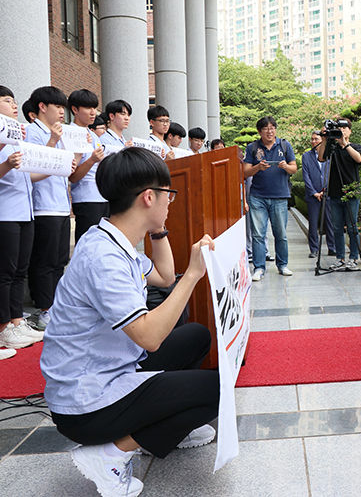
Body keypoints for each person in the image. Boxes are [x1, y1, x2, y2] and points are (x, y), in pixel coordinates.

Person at [40, 147, 219, 497]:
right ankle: (110, 452)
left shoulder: (115, 241)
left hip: (111, 369)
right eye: (169, 195)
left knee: (196, 336)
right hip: (86, 402)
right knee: (215, 392)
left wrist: (159, 229)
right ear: (149, 197)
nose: (172, 201)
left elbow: (165, 276)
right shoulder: (104, 258)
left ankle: (161, 429)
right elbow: (150, 337)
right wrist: (194, 275)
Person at [26, 86, 75, 333]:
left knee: (59, 260)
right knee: (44, 261)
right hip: (43, 206)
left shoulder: (61, 134)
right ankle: (44, 309)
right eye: (57, 107)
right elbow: (34, 165)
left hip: (61, 206)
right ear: (42, 107)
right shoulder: (31, 132)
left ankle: (56, 307)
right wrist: (53, 141)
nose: (60, 112)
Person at [0, 85, 39, 357]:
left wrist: (55, 169)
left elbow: (26, 175)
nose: (14, 105)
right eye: (7, 100)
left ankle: (15, 321)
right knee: (5, 272)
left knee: (19, 270)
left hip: (25, 212)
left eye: (14, 100)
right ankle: (3, 326)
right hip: (5, 214)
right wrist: (6, 163)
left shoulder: (19, 137)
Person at [243, 116, 297, 278]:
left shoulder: (285, 146)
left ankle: (283, 265)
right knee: (258, 234)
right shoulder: (252, 148)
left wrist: (286, 166)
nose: (270, 131)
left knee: (280, 233)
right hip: (258, 196)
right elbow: (245, 172)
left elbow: (294, 168)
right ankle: (259, 268)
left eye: (272, 127)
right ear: (260, 131)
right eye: (266, 128)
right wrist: (258, 167)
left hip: (280, 196)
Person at [319, 118, 361, 271]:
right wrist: (325, 140)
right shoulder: (332, 148)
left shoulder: (355, 147)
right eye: (339, 128)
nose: (342, 130)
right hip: (334, 193)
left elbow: (359, 159)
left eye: (345, 128)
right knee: (337, 228)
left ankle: (353, 258)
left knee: (352, 228)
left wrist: (345, 144)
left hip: (351, 193)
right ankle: (340, 258)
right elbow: (321, 158)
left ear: (350, 131)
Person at [67, 89, 108, 245]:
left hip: (102, 196)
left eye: (94, 108)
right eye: (88, 108)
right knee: (87, 245)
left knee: (101, 244)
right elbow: (73, 175)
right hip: (87, 198)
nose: (93, 113)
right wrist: (91, 160)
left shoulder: (95, 136)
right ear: (75, 110)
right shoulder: (70, 134)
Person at [302, 130, 335, 258]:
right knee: (313, 223)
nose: (314, 141)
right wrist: (314, 193)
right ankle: (314, 249)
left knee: (330, 222)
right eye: (312, 139)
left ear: (323, 140)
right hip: (312, 195)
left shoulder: (330, 155)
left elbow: (332, 174)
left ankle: (332, 248)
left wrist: (325, 190)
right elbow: (306, 176)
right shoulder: (306, 156)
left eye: (316, 139)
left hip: (327, 193)